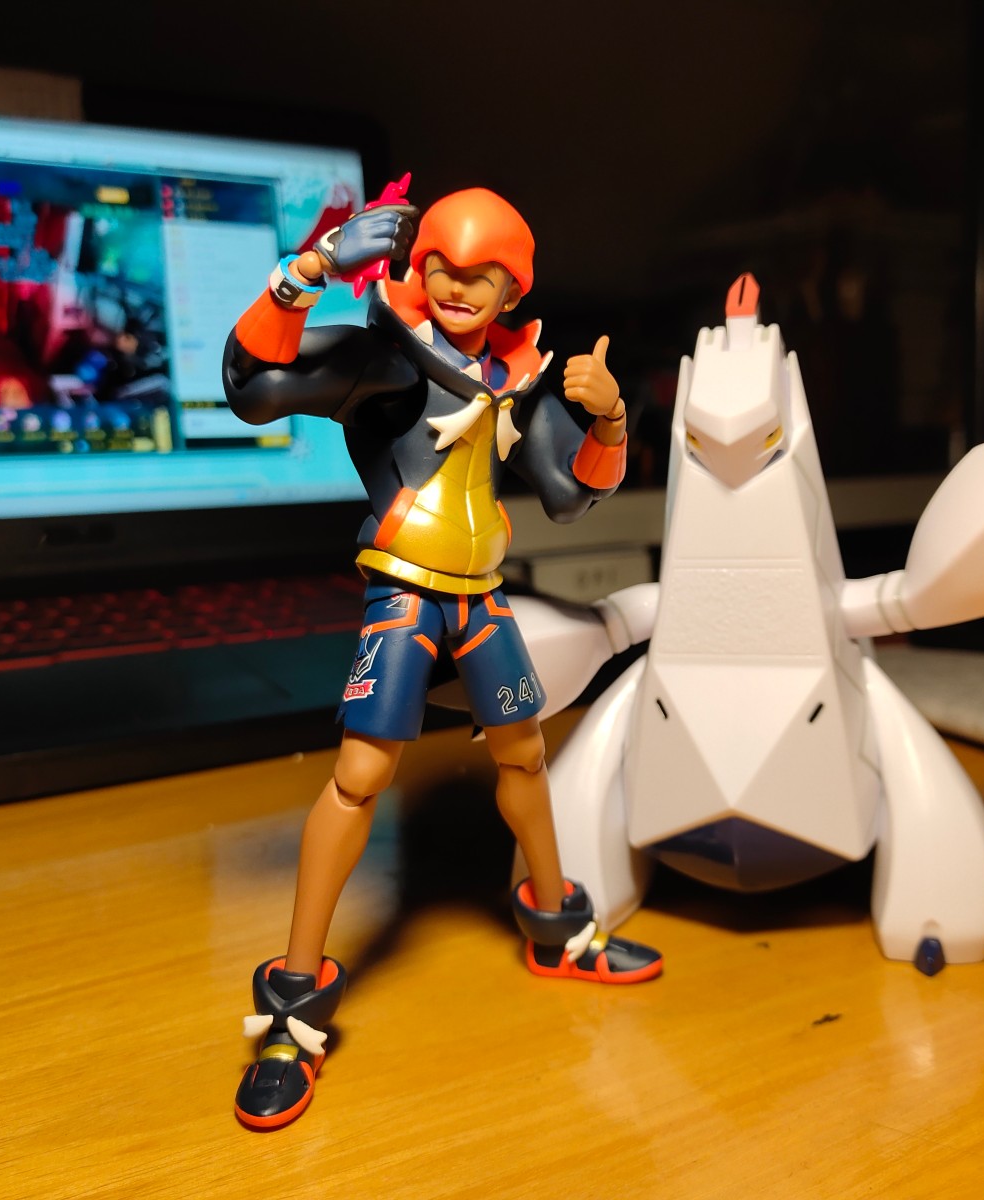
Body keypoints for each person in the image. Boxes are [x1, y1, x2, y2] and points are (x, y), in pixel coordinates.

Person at [222, 187, 662, 1130]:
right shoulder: (386, 361)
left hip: (481, 597)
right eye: (443, 268)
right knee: (359, 776)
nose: (460, 288)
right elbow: (254, 385)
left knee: (526, 756)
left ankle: (558, 928)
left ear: (513, 288)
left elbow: (569, 495)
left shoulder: (515, 380)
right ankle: (292, 1009)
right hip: (406, 595)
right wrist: (307, 271)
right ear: (419, 269)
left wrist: (611, 423)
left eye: (482, 275)